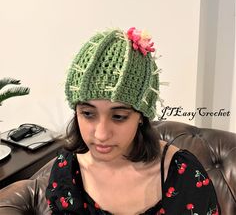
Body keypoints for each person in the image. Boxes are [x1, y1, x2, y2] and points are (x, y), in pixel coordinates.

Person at [45, 27, 221, 215]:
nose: (101, 134)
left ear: (141, 117)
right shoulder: (67, 170)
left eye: (118, 116)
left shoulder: (182, 173)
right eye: (88, 114)